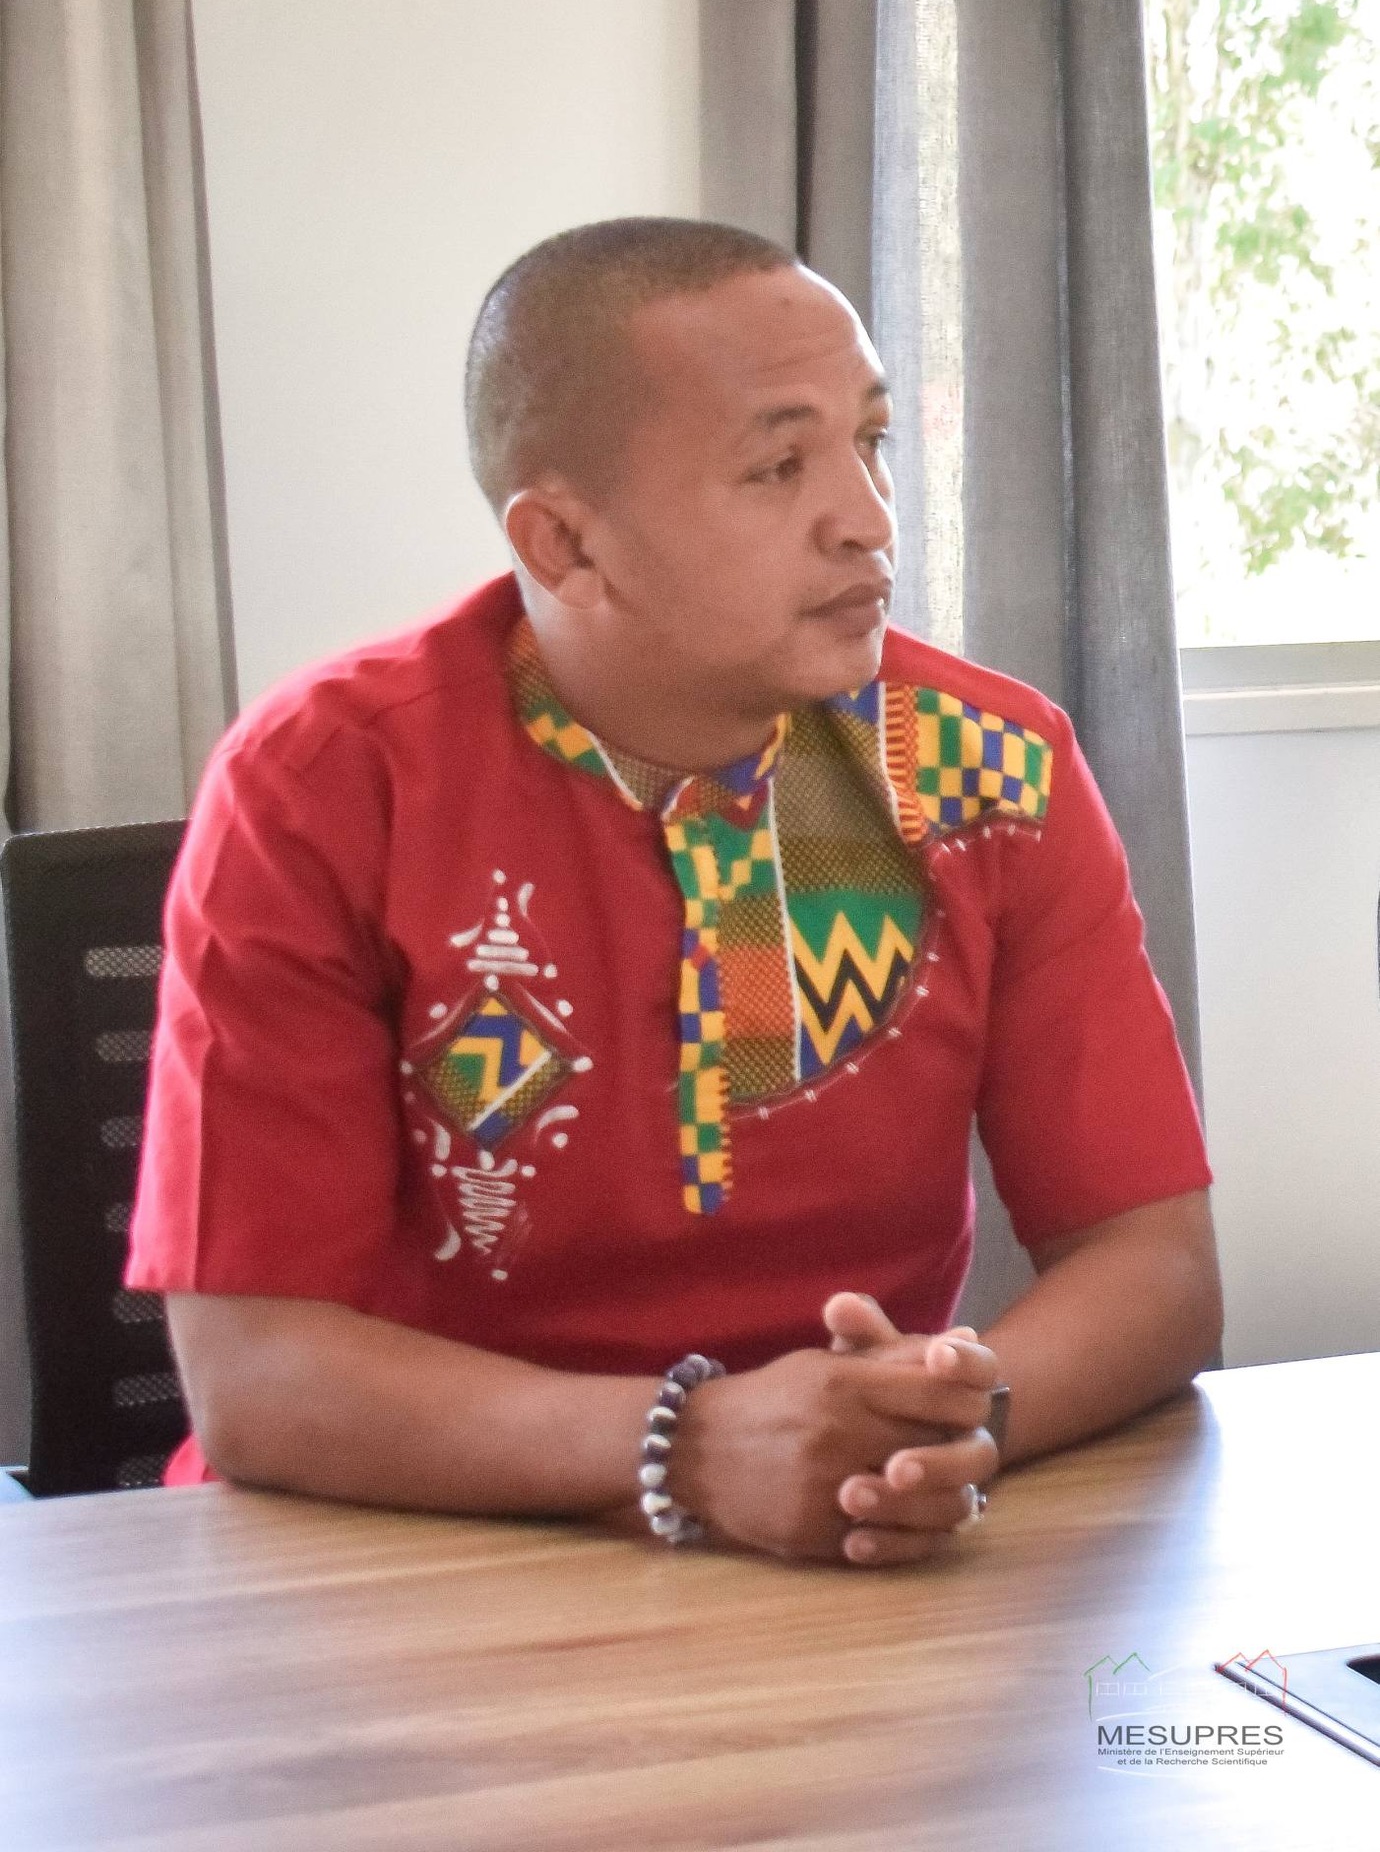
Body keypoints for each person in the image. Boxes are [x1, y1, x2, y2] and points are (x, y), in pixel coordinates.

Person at [128, 217, 1221, 1568]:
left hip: (847, 1560)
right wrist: (690, 1448)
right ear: (566, 545)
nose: (870, 520)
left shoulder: (989, 767)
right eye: (778, 466)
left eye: (872, 442)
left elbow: (1154, 1266)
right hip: (398, 1564)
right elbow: (256, 1372)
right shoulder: (326, 787)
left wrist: (939, 1432)